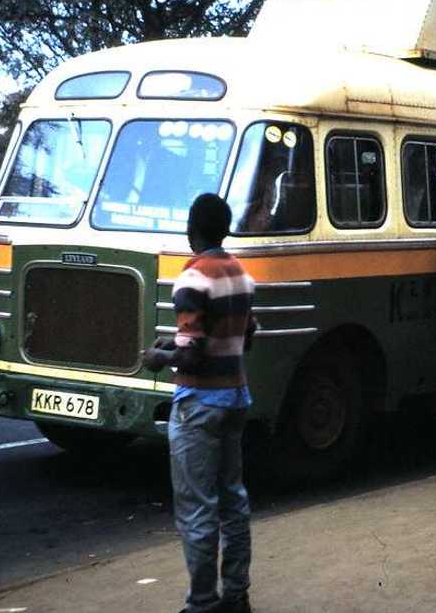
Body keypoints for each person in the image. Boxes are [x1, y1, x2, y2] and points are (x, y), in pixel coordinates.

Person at [145, 193, 258, 613]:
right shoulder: (241, 275)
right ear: (224, 229)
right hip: (236, 396)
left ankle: (203, 603)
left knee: (196, 508)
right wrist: (180, 343)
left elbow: (191, 355)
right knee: (233, 501)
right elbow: (246, 336)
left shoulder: (192, 277)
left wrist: (159, 357)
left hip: (199, 402)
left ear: (192, 228)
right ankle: (236, 596)